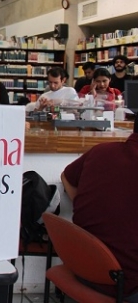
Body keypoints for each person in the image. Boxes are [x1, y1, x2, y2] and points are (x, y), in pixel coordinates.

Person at [61, 117, 138, 302]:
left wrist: (83, 204)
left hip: (81, 265)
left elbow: (66, 177)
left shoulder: (101, 151)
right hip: (124, 284)